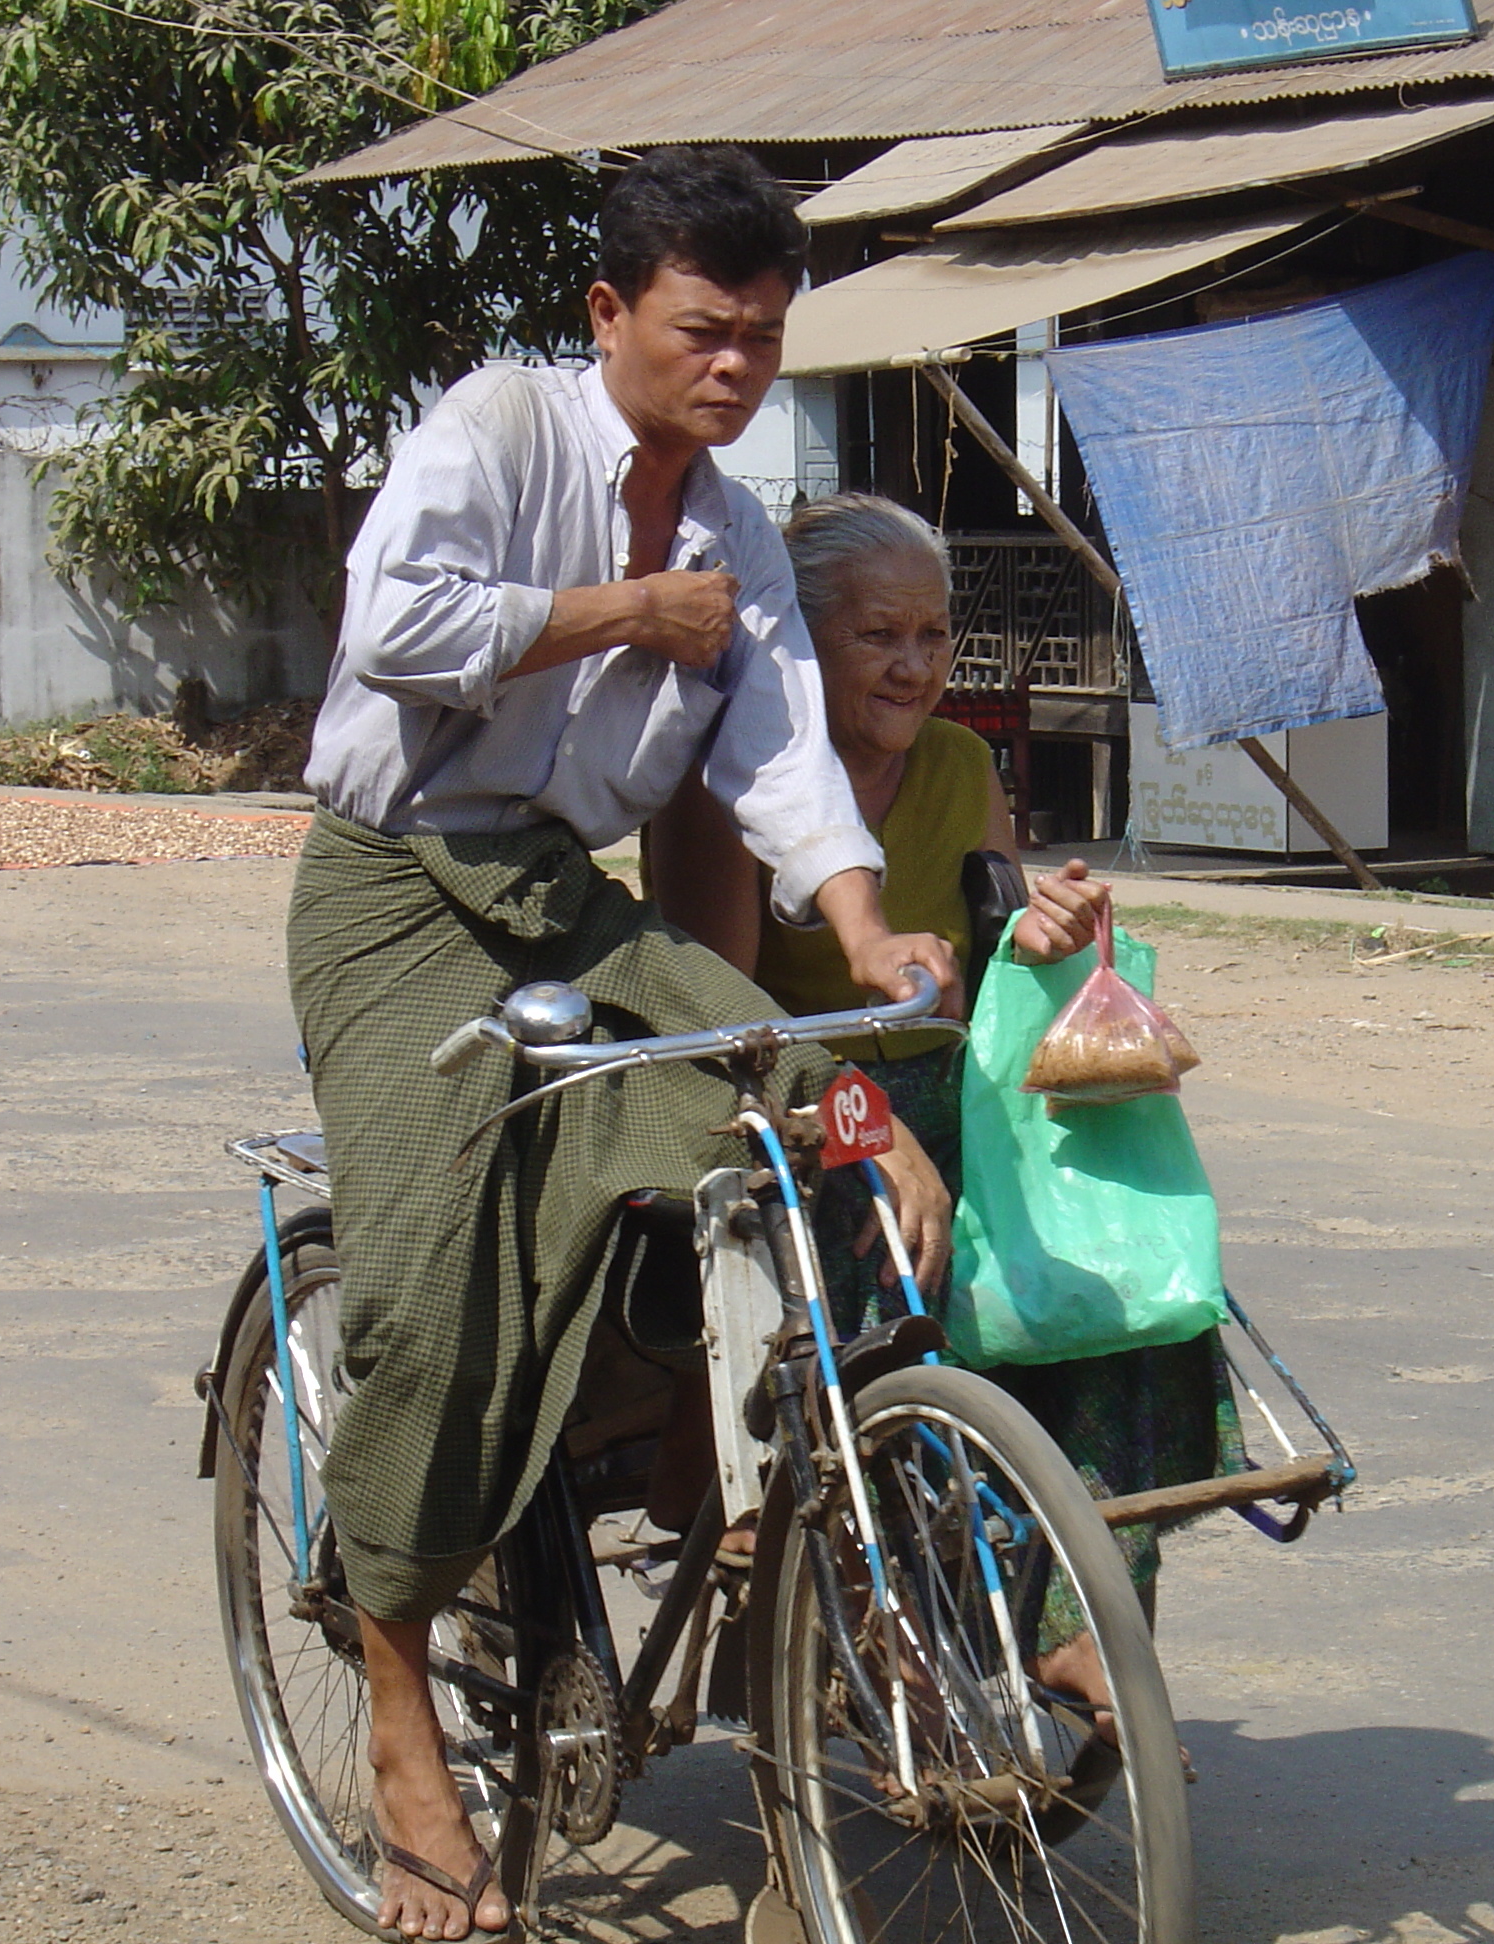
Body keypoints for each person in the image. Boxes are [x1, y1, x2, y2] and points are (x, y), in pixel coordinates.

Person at [289, 155, 958, 1942]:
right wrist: (609, 613)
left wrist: (871, 922)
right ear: (610, 317)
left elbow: (778, 756)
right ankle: (398, 1690)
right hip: (392, 891)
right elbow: (388, 622)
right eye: (700, 329)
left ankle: (731, 1519)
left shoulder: (734, 529)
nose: (734, 363)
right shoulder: (500, 430)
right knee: (429, 1295)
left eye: (762, 334)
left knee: (789, 1100)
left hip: (552, 893)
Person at [646, 492, 1243, 1724]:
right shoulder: (726, 787)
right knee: (888, 1259)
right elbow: (729, 1027)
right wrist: (872, 1121)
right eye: (879, 637)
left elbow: (986, 936)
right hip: (791, 1103)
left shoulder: (963, 763)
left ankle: (1083, 1617)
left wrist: (1037, 926)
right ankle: (875, 1607)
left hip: (950, 1086)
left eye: (932, 635)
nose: (915, 665)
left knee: (1113, 1280)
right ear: (807, 647)